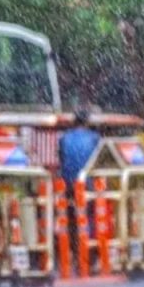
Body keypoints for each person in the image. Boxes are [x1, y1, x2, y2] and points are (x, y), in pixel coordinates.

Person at [58, 108, 101, 272]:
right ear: (88, 122)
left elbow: (62, 160)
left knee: (72, 219)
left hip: (69, 185)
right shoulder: (95, 138)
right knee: (91, 217)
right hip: (89, 185)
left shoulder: (64, 138)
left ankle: (75, 254)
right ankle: (91, 256)